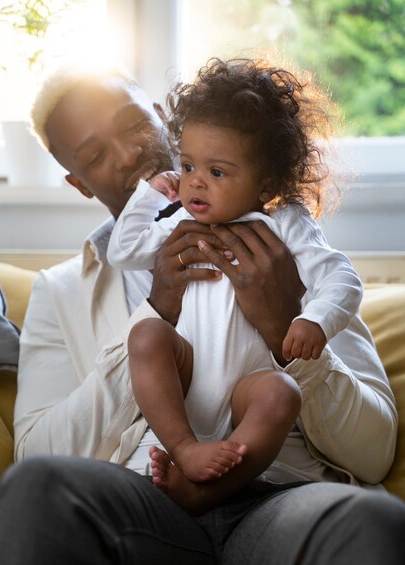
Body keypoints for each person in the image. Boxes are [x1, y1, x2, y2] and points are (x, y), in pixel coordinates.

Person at [0, 60, 403, 565]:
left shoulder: (287, 244)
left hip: (281, 502)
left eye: (133, 124)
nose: (131, 154)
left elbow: (374, 452)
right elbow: (38, 457)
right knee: (41, 491)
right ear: (79, 184)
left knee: (363, 520)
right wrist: (156, 309)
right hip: (145, 513)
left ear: (163, 118)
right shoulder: (60, 293)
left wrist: (286, 325)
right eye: (95, 155)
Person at [107, 58, 363, 495]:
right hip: (188, 383)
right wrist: (151, 194)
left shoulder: (284, 223)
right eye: (187, 167)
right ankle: (184, 448)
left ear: (265, 185)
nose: (196, 184)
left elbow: (342, 279)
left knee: (282, 393)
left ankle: (207, 494)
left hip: (251, 392)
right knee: (146, 336)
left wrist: (313, 319)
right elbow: (124, 250)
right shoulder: (181, 225)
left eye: (216, 172)